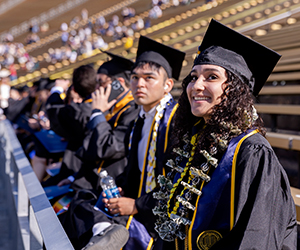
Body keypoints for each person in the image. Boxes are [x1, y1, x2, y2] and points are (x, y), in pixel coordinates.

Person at [152, 19, 297, 250]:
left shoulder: (252, 152)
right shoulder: (195, 142)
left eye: (211, 77)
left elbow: (256, 238)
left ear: (236, 91)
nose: (196, 85)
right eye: (193, 77)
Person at [64, 36, 185, 250]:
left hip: (159, 225)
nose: (140, 83)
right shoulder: (138, 122)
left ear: (168, 85)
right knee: (79, 205)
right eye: (136, 77)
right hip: (134, 210)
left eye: (149, 78)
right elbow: (133, 173)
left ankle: (103, 228)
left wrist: (136, 205)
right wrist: (118, 193)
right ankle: (102, 228)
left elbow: (179, 183)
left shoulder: (176, 123)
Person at [57, 51, 140, 191]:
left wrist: (97, 114)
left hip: (110, 192)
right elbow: (90, 149)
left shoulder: (134, 111)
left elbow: (107, 149)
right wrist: (74, 177)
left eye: (100, 83)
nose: (96, 89)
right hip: (89, 184)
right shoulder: (110, 109)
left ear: (118, 84)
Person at [43, 65, 97, 186]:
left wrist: (57, 89)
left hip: (78, 172)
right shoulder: (103, 107)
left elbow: (54, 110)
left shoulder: (79, 111)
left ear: (75, 89)